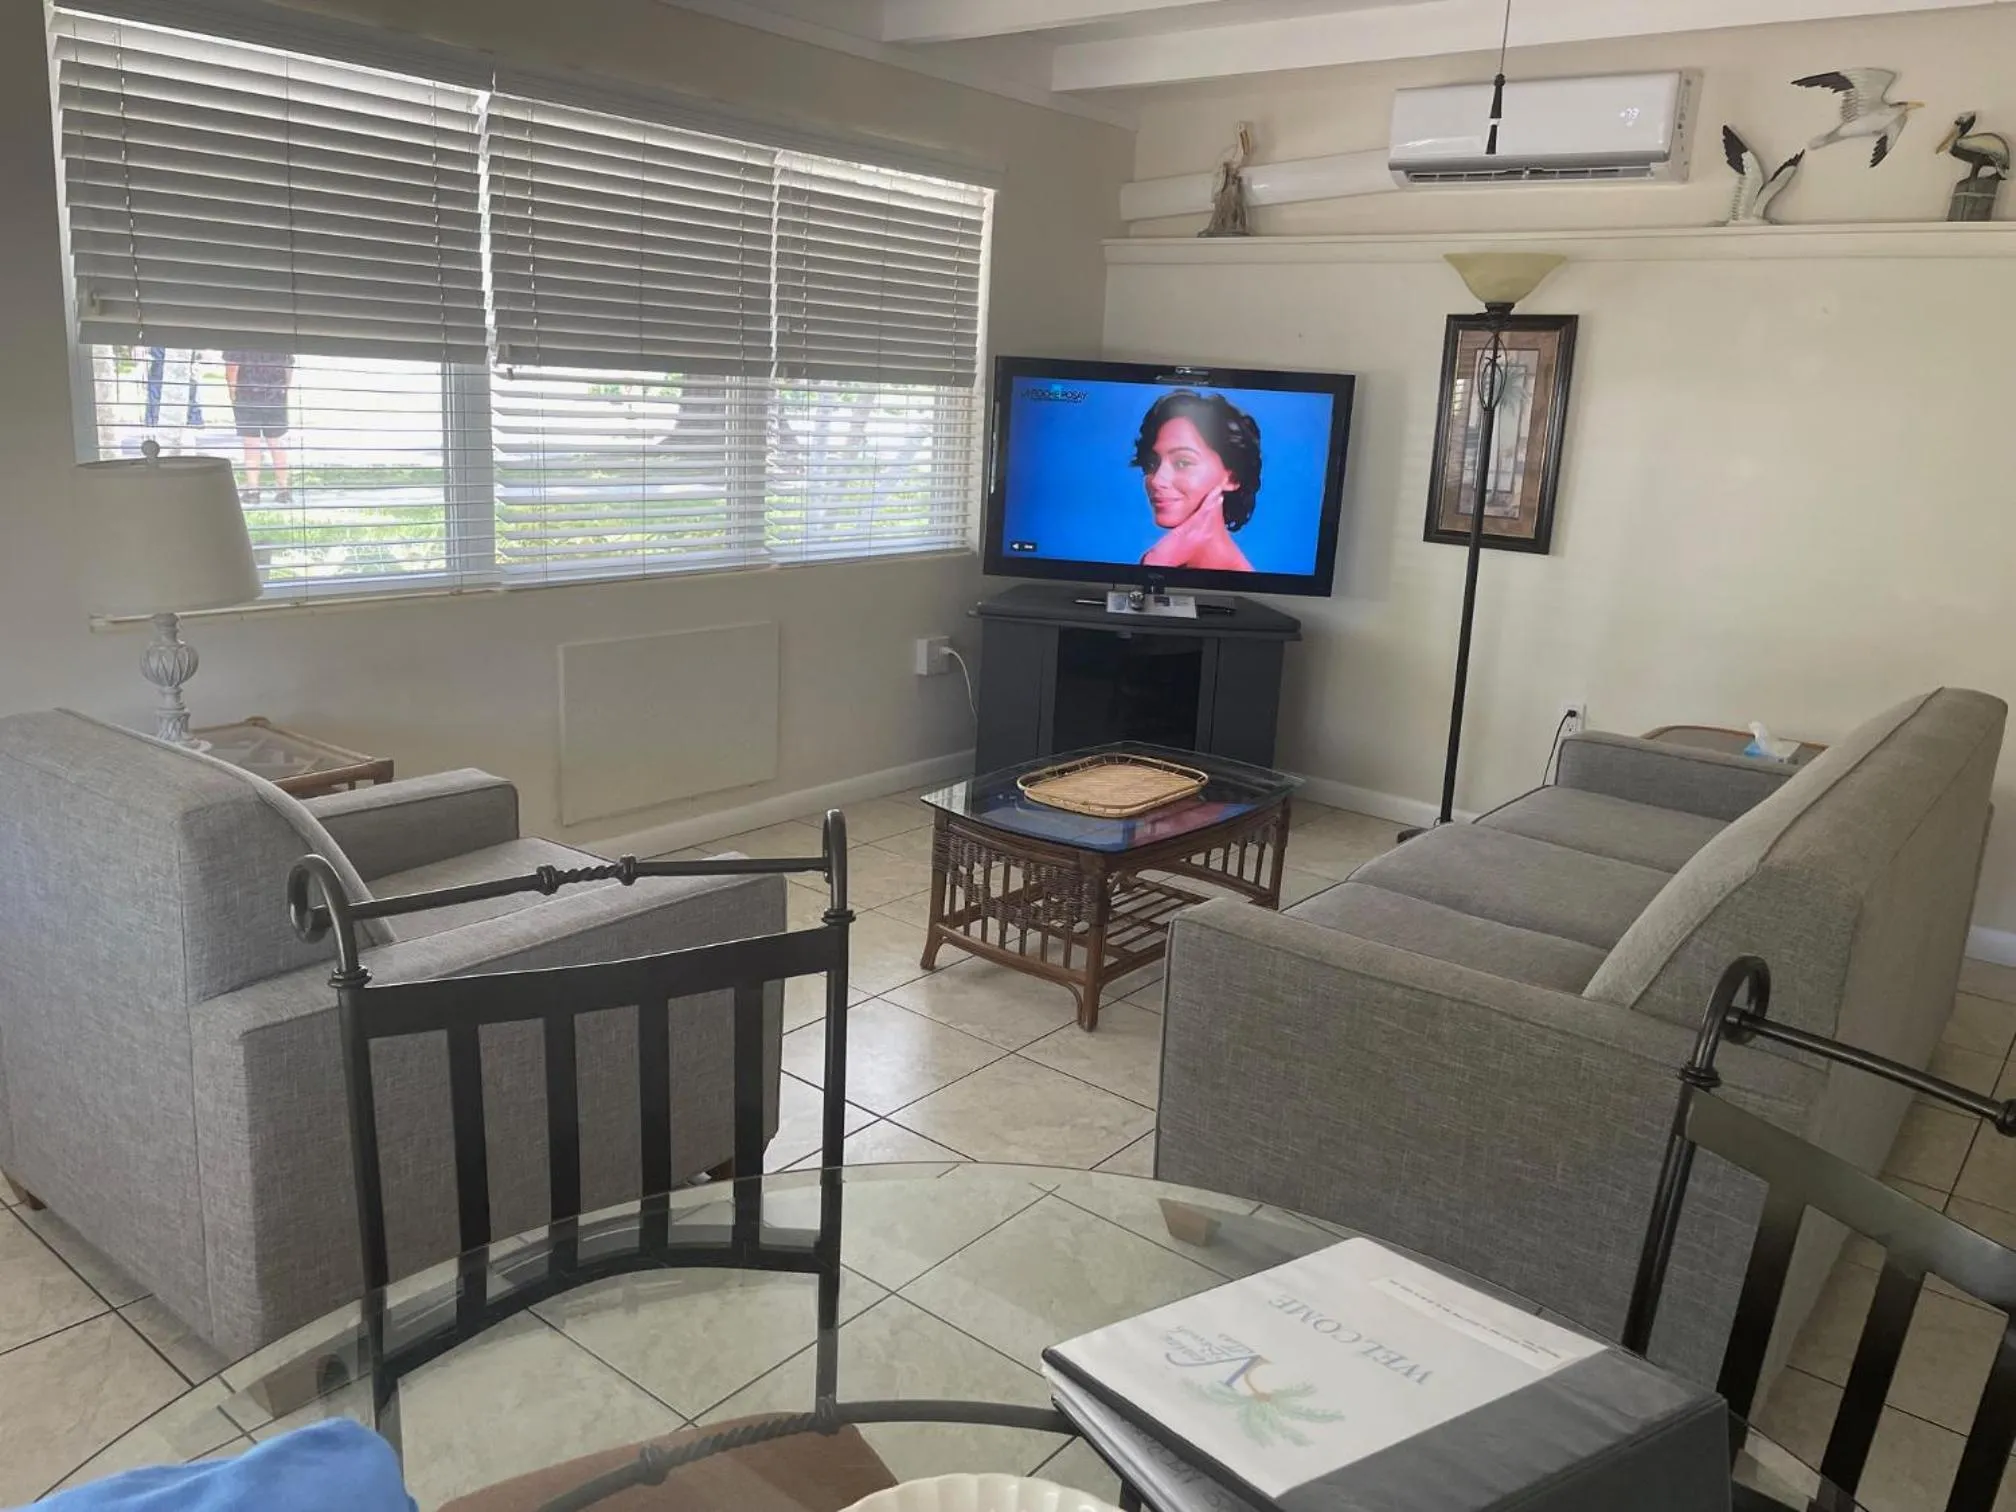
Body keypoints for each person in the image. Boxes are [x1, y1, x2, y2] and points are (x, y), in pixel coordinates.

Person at [1132, 389, 1260, 572]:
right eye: (1152, 464)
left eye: (1183, 462)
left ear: (1232, 477)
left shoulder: (1245, 585)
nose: (1157, 480)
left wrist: (1156, 562)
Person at [223, 349, 295, 503]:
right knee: (276, 442)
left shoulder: (238, 340)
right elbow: (288, 366)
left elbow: (232, 367)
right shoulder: (279, 339)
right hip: (275, 396)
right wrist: (284, 390)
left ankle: (253, 490)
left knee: (251, 444)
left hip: (247, 396)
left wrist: (232, 392)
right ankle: (284, 489)